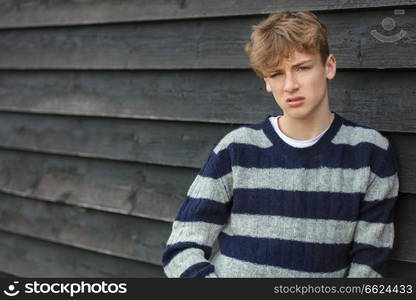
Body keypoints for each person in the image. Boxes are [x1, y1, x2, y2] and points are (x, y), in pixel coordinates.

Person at [161, 11, 399, 278]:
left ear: (328, 67)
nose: (289, 85)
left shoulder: (370, 153)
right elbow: (182, 246)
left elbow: (369, 265)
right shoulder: (236, 149)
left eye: (302, 68)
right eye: (276, 73)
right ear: (266, 81)